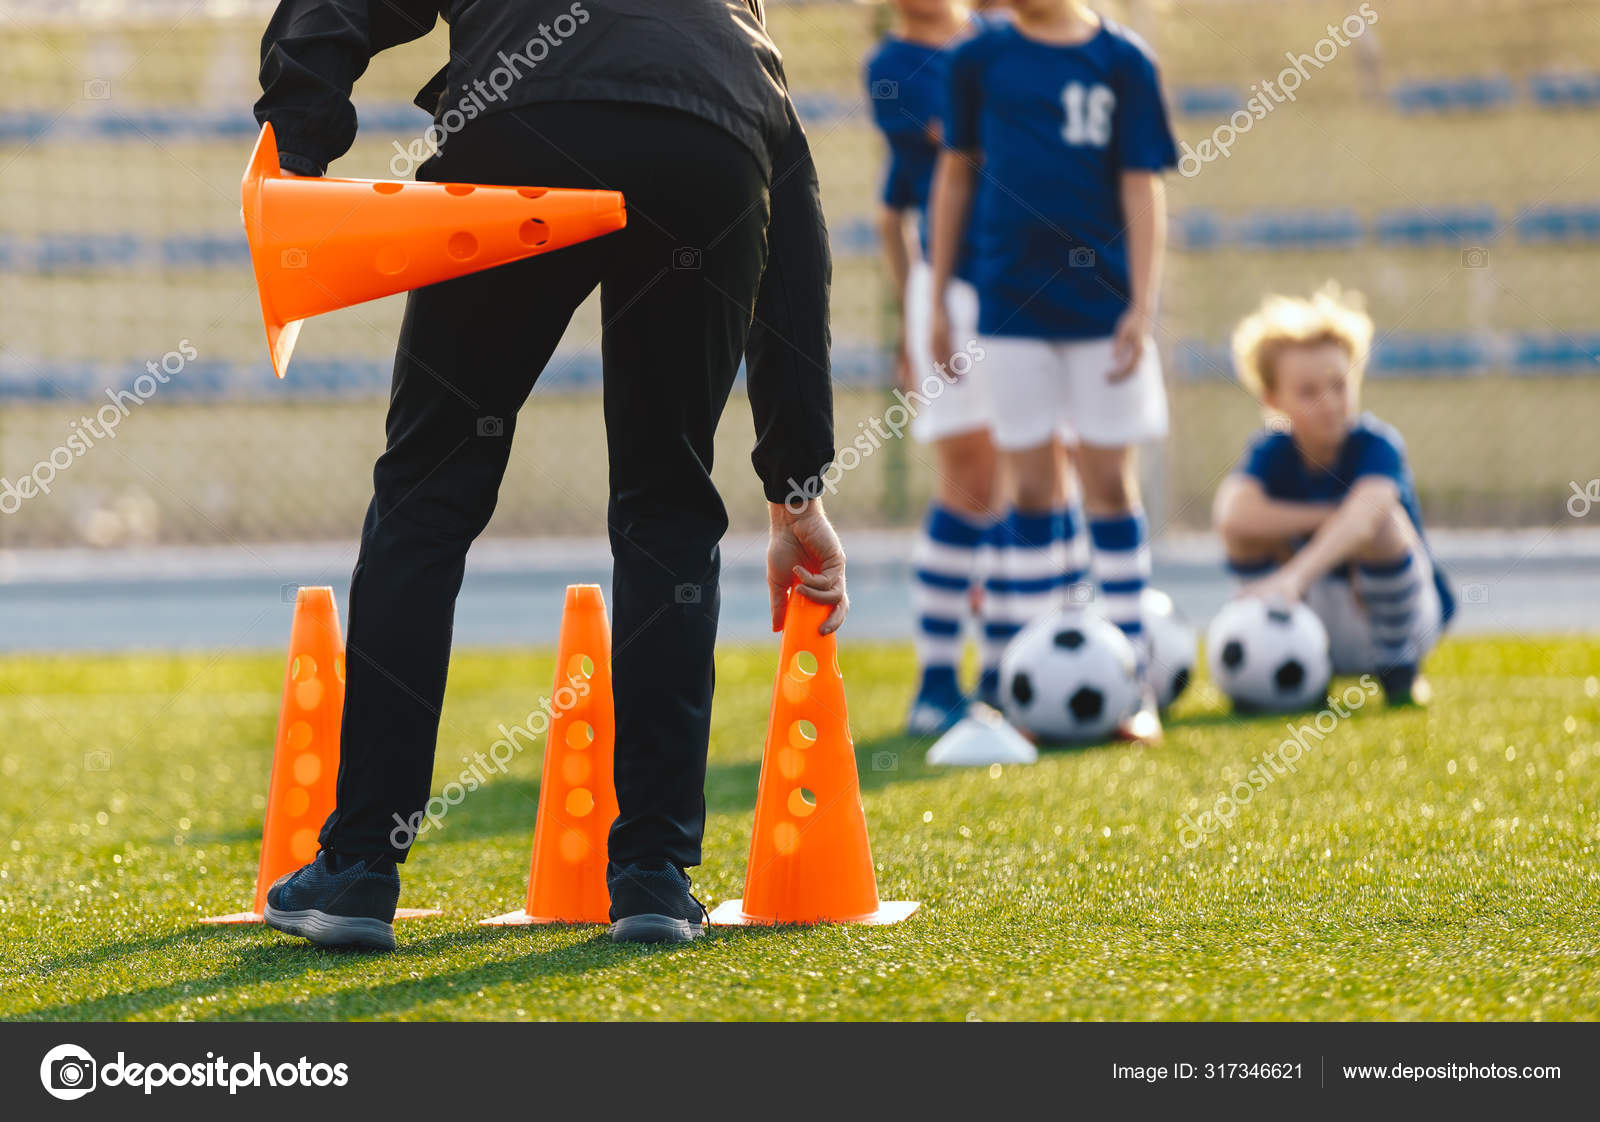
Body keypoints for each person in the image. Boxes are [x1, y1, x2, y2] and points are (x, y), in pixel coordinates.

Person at [251, 0, 845, 949]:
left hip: (521, 125)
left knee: (427, 498)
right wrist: (796, 487)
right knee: (668, 506)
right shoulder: (730, 28)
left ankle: (360, 867)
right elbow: (793, 226)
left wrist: (300, 151)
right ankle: (652, 873)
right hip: (707, 151)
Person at [928, 0, 1177, 740]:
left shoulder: (1124, 61)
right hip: (1010, 304)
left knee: (1108, 484)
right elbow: (955, 175)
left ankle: (1133, 682)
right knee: (1032, 489)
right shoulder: (978, 59)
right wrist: (941, 294)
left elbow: (1142, 183)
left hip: (1102, 308)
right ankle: (1040, 685)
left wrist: (1143, 301)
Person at [865, 0, 1006, 735]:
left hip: (1025, 277)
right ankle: (939, 680)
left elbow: (892, 210)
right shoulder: (893, 65)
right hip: (958, 287)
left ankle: (1012, 669)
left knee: (1030, 477)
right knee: (970, 478)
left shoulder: (993, 36)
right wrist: (916, 317)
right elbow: (972, 137)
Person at [1213, 284, 1454, 705]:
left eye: (1340, 386)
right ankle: (1291, 662)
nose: (1330, 403)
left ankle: (1399, 670)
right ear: (1273, 399)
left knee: (1382, 520)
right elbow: (1232, 515)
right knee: (1244, 531)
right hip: (1318, 613)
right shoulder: (1272, 450)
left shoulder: (1377, 444)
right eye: (1308, 392)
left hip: (1396, 618)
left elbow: (1366, 517)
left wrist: (1295, 575)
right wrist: (1326, 517)